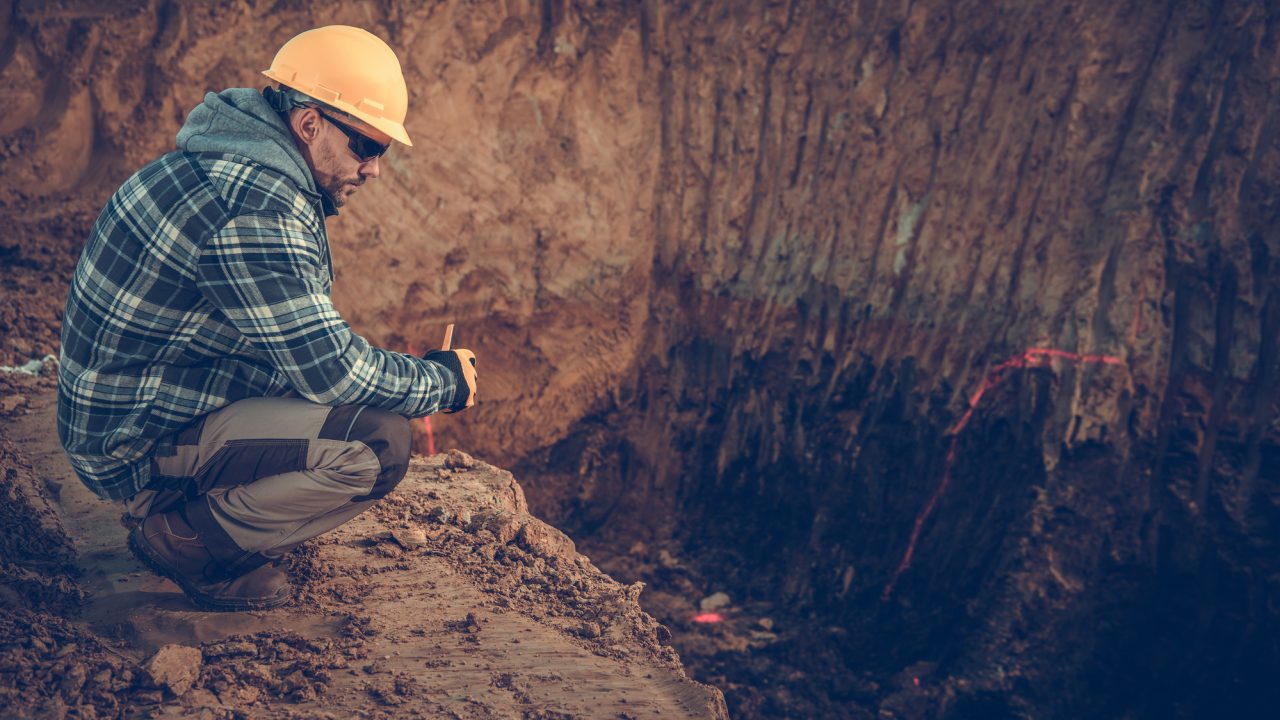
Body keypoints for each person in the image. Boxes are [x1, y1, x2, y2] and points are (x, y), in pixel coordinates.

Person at [56, 26, 477, 611]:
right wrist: (441, 382)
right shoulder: (258, 213)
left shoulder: (225, 165)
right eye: (367, 147)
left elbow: (305, 355)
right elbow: (334, 374)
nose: (375, 169)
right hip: (132, 447)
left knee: (346, 406)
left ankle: (209, 513)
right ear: (309, 125)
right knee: (378, 440)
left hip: (133, 412)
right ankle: (185, 539)